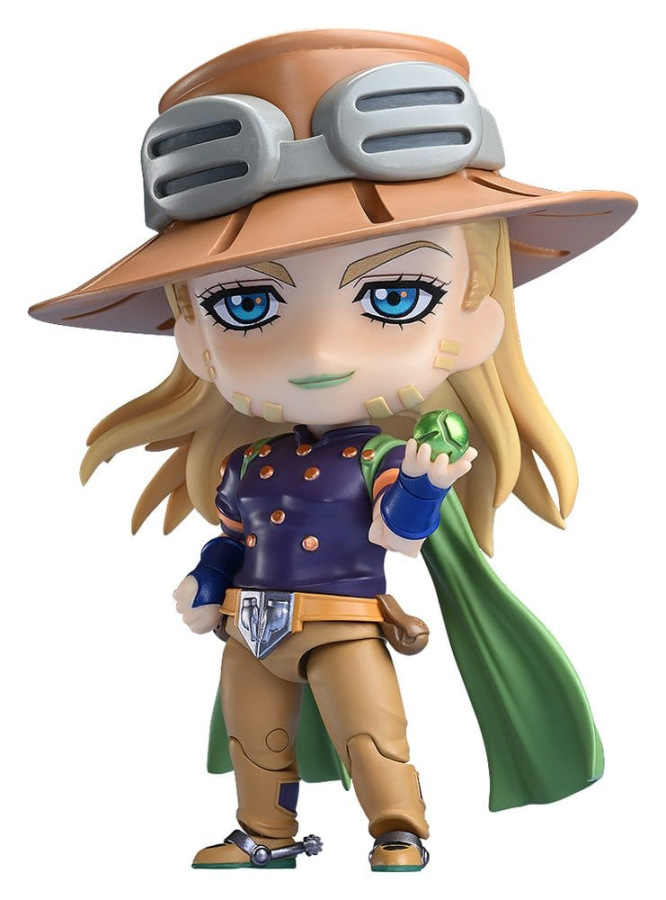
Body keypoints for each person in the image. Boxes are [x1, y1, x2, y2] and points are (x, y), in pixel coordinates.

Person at [29, 29, 637, 872]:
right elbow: (234, 536)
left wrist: (423, 485)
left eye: (395, 295)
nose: (318, 353)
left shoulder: (377, 456)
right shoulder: (247, 465)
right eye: (246, 306)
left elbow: (399, 533)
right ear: (195, 339)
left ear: (475, 315)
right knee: (256, 737)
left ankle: (398, 827)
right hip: (252, 621)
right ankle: (264, 834)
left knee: (370, 732)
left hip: (344, 619)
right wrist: (206, 581)